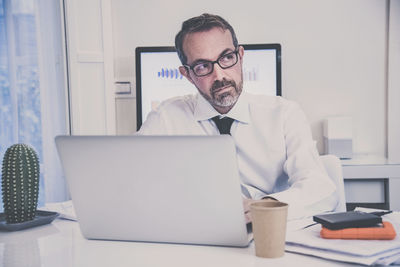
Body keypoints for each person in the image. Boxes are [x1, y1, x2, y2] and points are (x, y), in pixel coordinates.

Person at [138, 13, 338, 221]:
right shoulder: (166, 118)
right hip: (198, 234)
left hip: (269, 232)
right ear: (187, 74)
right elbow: (132, 181)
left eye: (226, 57)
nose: (220, 76)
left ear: (240, 56)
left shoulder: (284, 114)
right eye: (202, 66)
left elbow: (321, 190)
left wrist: (265, 207)